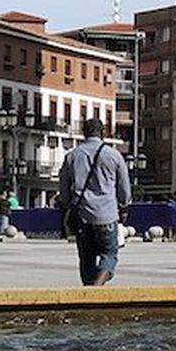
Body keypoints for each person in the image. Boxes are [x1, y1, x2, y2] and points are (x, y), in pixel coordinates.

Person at [58, 118, 132, 286]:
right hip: (106, 216)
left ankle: (88, 292)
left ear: (84, 133)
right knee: (109, 254)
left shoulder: (72, 156)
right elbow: (124, 187)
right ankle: (97, 288)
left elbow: (63, 186)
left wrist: (69, 204)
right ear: (103, 133)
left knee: (86, 257)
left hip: (82, 216)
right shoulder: (114, 155)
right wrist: (124, 206)